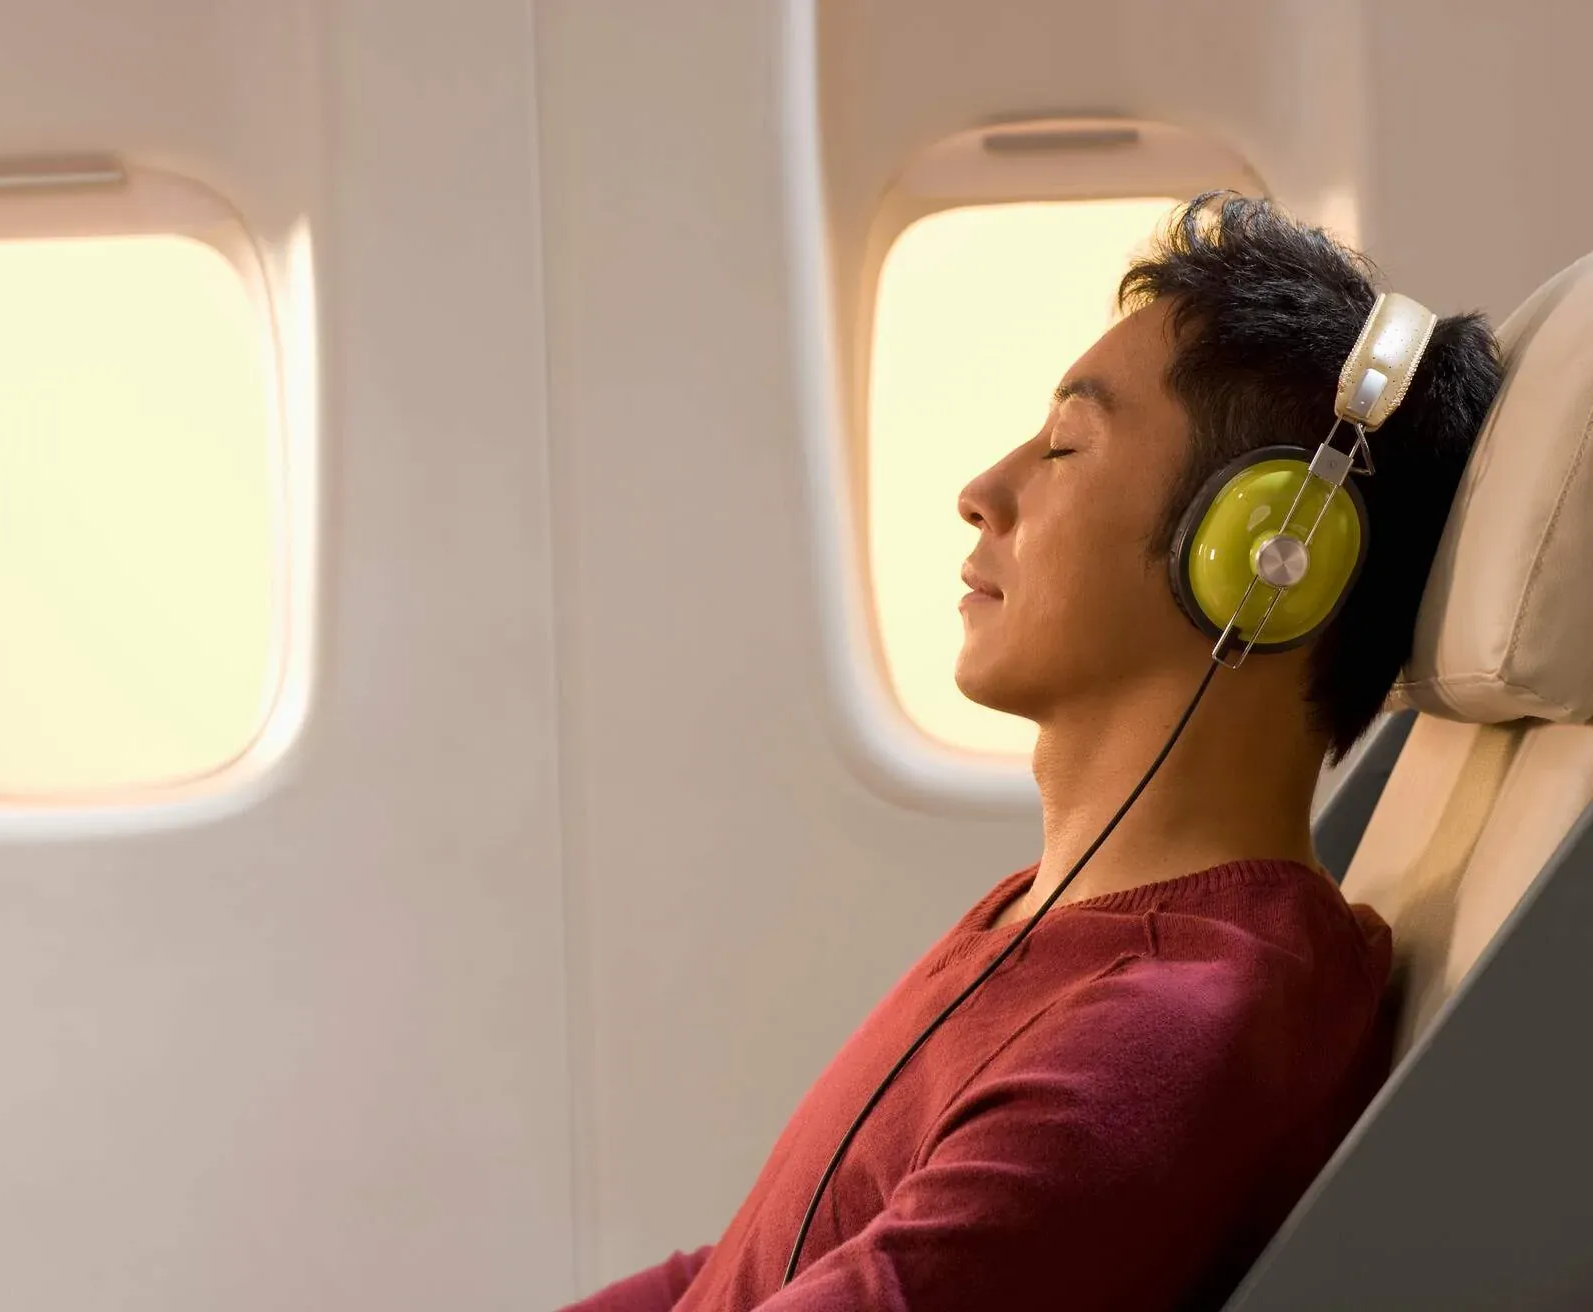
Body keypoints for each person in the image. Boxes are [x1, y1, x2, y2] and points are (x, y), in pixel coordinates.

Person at [560, 193, 1504, 1312]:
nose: (981, 493)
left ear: (1264, 551)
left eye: (1064, 445)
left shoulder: (1164, 1037)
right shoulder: (1050, 924)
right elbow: (747, 1263)